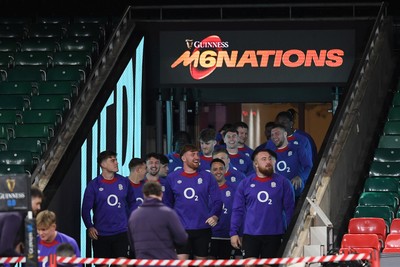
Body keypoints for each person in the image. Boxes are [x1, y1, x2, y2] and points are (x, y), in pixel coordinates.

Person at [230, 149, 295, 263]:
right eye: (263, 159)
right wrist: (234, 232)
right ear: (256, 164)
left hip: (274, 234)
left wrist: (291, 234)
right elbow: (237, 210)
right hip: (251, 234)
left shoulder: (283, 182)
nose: (268, 161)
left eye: (270, 159)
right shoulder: (245, 183)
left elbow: (290, 210)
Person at [164, 144, 222, 260]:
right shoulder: (172, 178)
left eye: (197, 154)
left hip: (203, 228)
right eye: (192, 154)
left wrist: (215, 215)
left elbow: (218, 201)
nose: (197, 157)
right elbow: (167, 203)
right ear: (183, 158)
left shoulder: (208, 177)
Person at [81, 150, 136, 263]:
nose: (116, 163)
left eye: (116, 160)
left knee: (123, 264)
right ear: (103, 164)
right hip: (101, 234)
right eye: (112, 160)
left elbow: (133, 203)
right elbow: (85, 209)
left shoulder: (124, 182)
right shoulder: (94, 185)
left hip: (121, 232)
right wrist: (90, 226)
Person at [128, 181, 188, 259]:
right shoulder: (168, 213)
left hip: (144, 262)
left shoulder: (134, 216)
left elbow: (132, 244)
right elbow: (181, 239)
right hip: (165, 261)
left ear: (144, 195)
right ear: (161, 194)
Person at [270, 124, 313, 201]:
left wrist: (300, 177)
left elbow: (309, 166)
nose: (274, 137)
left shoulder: (298, 148)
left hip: (297, 194)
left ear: (285, 134)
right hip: (278, 196)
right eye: (272, 135)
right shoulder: (270, 154)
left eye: (277, 133)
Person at [0, 186, 43, 257]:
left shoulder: (14, 215)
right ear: (28, 201)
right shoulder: (14, 217)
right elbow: (5, 249)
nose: (39, 208)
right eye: (37, 203)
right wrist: (25, 258)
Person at [209, 158, 238, 260]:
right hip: (210, 236)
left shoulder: (235, 189)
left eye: (221, 169)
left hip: (228, 236)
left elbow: (240, 211)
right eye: (215, 169)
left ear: (225, 170)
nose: (218, 172)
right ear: (210, 171)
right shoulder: (205, 189)